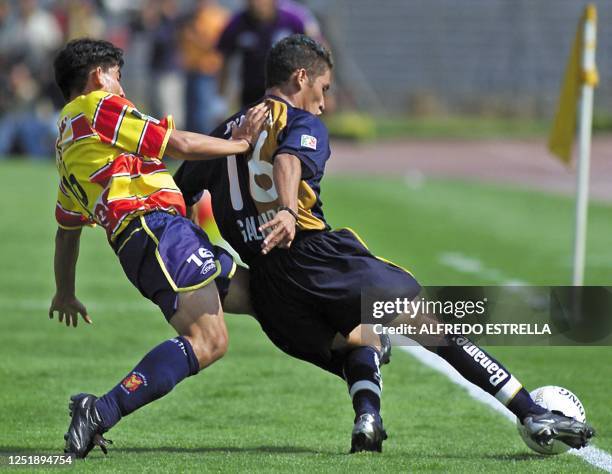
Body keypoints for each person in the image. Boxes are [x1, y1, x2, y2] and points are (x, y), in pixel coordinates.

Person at [174, 35, 595, 453]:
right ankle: (529, 411)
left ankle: (368, 420)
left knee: (361, 342)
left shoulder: (226, 134)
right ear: (300, 77)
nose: (324, 103)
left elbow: (178, 195)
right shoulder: (301, 122)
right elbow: (287, 159)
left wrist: (198, 253)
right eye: (322, 90)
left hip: (269, 288)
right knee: (433, 328)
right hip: (313, 257)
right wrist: (285, 210)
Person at [49, 38, 268, 459]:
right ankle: (100, 410)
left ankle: (357, 343)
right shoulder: (98, 106)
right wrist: (239, 144)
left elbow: (67, 231)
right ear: (99, 76)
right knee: (209, 340)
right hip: (156, 230)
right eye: (118, 76)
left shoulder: (68, 145)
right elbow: (178, 144)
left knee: (266, 295)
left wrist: (64, 291)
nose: (122, 87)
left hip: (150, 240)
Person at [217, 0, 305, 108]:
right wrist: (220, 100)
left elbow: (313, 52)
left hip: (287, 92)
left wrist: (319, 89)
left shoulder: (292, 19)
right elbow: (225, 60)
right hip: (252, 94)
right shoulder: (237, 23)